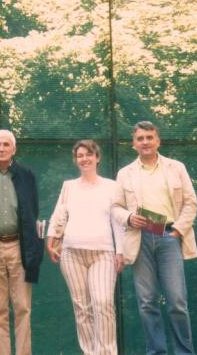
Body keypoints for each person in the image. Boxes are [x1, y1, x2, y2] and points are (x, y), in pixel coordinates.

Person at [113, 121, 197, 354]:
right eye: (140, 138)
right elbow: (115, 208)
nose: (145, 142)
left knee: (177, 302)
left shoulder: (176, 167)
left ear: (158, 141)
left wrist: (177, 231)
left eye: (149, 137)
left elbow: (191, 202)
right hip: (139, 239)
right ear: (134, 144)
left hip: (170, 237)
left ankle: (184, 352)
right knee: (147, 302)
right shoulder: (125, 173)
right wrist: (129, 217)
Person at [46, 140, 125, 354]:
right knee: (82, 307)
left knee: (103, 304)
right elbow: (59, 215)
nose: (84, 159)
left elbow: (118, 220)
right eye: (80, 155)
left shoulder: (112, 186)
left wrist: (120, 251)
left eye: (88, 154)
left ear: (97, 157)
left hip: (104, 254)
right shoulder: (69, 186)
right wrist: (50, 239)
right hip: (71, 254)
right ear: (75, 160)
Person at [0, 129, 44, 355]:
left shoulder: (27, 175)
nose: (2, 148)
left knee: (23, 308)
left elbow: (32, 211)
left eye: (6, 144)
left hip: (19, 248)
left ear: (14, 149)